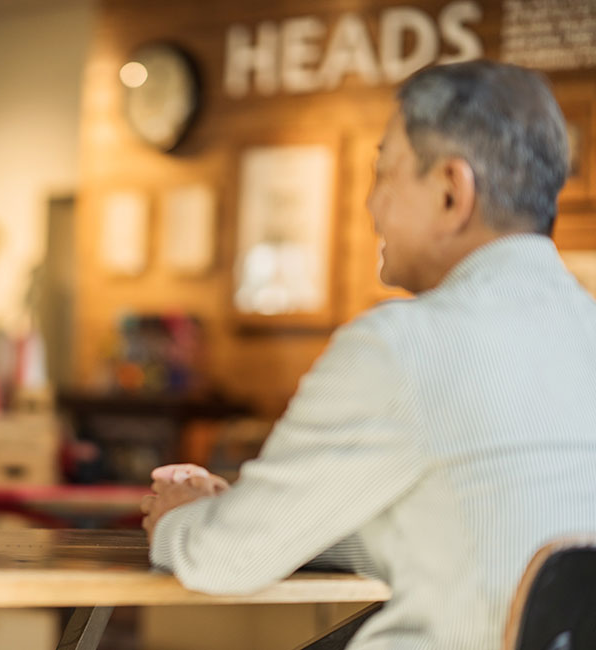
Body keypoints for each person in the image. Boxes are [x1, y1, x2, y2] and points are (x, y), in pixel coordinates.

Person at [141, 60, 596, 649]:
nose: (372, 204)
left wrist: (179, 518)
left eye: (384, 172)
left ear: (452, 191)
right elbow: (455, 525)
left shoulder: (402, 347)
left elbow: (221, 562)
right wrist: (265, 513)